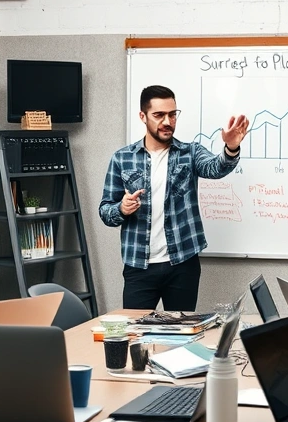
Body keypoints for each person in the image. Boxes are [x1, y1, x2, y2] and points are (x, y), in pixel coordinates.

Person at [99, 84, 249, 311]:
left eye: (172, 114)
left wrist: (231, 147)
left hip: (182, 264)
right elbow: (105, 211)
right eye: (159, 115)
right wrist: (121, 208)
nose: (167, 121)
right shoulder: (122, 158)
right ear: (143, 116)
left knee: (182, 329)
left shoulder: (190, 152)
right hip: (139, 265)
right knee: (135, 329)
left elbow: (215, 168)